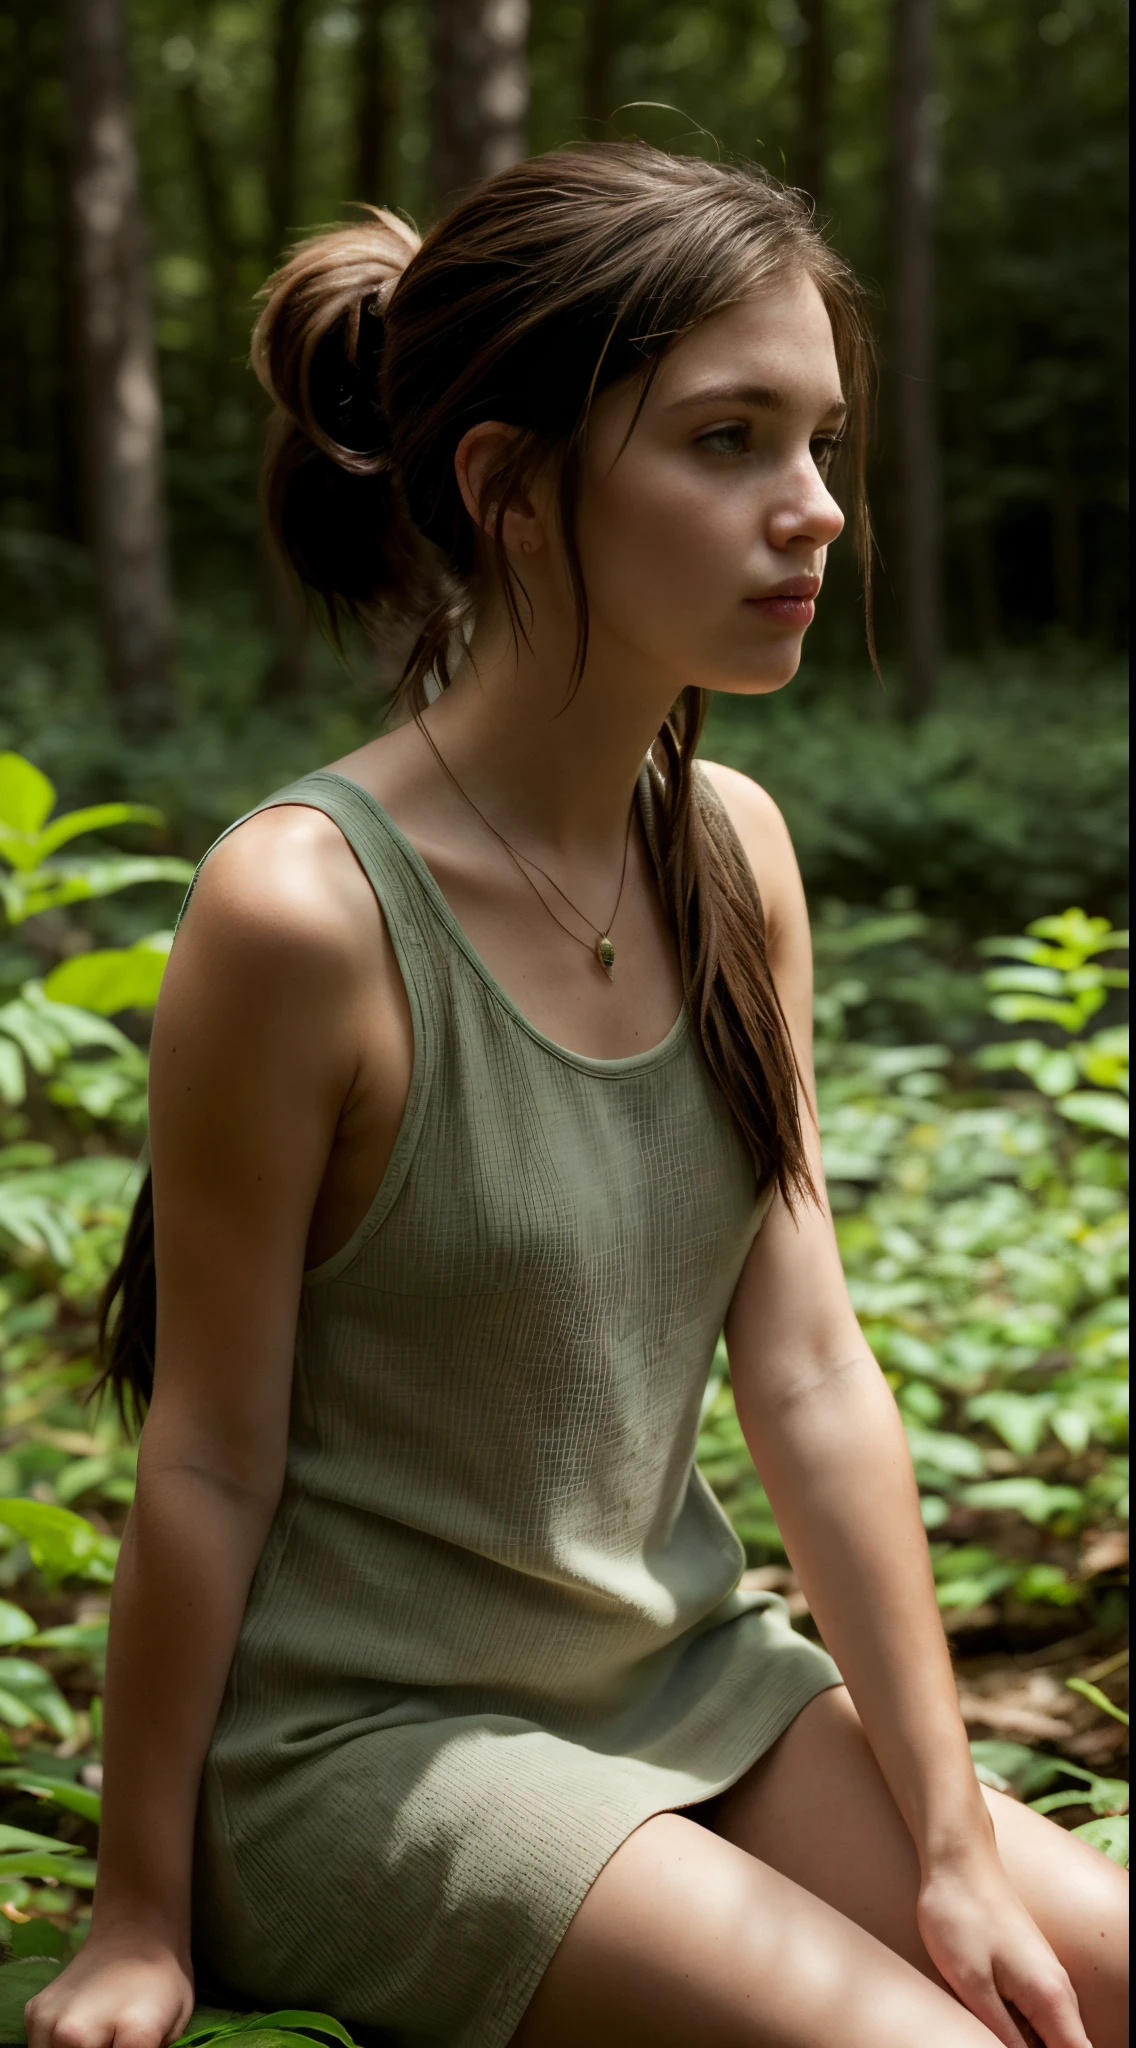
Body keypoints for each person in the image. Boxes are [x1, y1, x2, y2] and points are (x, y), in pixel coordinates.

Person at [27, 144, 1126, 2048]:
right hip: (372, 1743)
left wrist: (950, 1833)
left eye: (822, 441)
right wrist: (138, 1914)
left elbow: (807, 1372)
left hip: (685, 1676)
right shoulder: (302, 911)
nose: (816, 515)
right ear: (509, 487)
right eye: (727, 441)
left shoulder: (731, 854)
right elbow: (206, 1451)